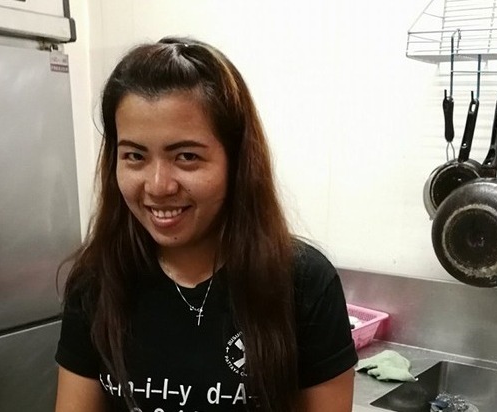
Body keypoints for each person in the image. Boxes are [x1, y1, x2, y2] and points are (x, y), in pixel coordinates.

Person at [54, 36, 357, 412]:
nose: (158, 186)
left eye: (186, 156)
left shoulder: (304, 284)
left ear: (237, 162)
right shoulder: (96, 281)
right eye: (134, 156)